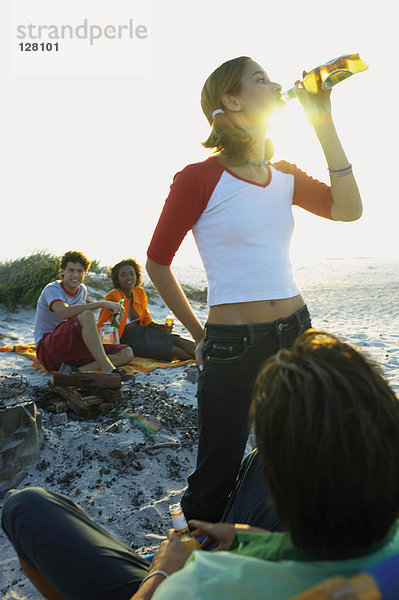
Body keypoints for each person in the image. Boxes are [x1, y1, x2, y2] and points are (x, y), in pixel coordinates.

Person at [3, 330, 399, 600]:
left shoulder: (199, 585)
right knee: (259, 461)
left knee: (26, 507)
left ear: (287, 495)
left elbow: (176, 585)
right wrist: (247, 540)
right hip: (334, 556)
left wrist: (162, 571)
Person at [145, 56, 363, 522]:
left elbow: (349, 211)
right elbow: (157, 263)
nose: (275, 82)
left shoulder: (283, 174)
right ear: (231, 99)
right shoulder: (199, 178)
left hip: (297, 333)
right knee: (217, 470)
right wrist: (198, 335)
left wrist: (322, 121)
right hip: (233, 347)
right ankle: (197, 563)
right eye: (260, 78)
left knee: (293, 454)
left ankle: (275, 551)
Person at [34, 250, 133, 374]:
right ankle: (108, 368)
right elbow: (64, 312)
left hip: (72, 348)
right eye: (71, 270)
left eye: (80, 271)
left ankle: (77, 371)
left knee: (126, 353)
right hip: (48, 351)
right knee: (86, 314)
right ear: (62, 272)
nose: (75, 275)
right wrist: (101, 304)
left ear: (85, 273)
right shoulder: (52, 289)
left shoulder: (82, 290)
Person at [97, 258, 196, 361]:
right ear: (117, 279)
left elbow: (145, 319)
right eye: (123, 275)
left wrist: (160, 327)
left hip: (144, 331)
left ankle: (208, 355)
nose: (128, 277)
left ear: (137, 275)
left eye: (131, 273)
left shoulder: (139, 293)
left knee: (177, 340)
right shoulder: (113, 297)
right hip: (129, 340)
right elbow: (102, 325)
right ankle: (202, 360)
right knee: (173, 350)